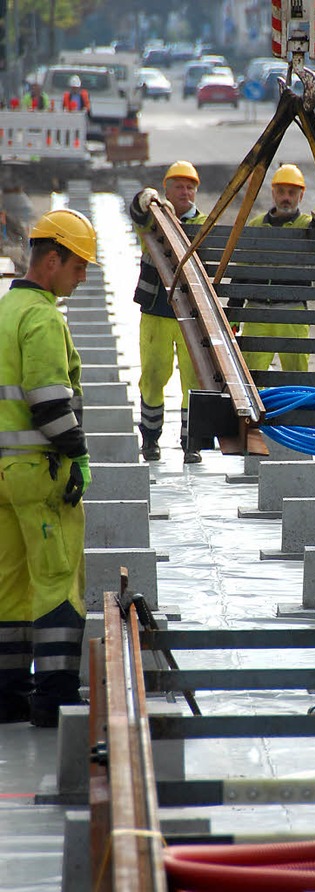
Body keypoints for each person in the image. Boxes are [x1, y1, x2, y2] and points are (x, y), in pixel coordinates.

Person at [0, 208, 96, 728]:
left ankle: (7, 696)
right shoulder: (41, 317)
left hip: (2, 474)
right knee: (56, 578)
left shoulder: (3, 311)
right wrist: (78, 454)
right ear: (52, 259)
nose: (82, 277)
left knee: (8, 584)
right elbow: (48, 401)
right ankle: (54, 698)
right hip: (39, 471)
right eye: (78, 267)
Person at [130, 160, 208, 463]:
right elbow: (136, 211)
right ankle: (150, 440)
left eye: (190, 187)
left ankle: (192, 444)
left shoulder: (204, 225)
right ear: (167, 189)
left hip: (191, 315)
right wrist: (146, 196)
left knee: (193, 379)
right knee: (152, 376)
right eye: (178, 186)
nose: (185, 191)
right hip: (155, 311)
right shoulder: (153, 220)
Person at [227, 164, 313, 374]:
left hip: (292, 312)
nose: (286, 197)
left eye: (292, 193)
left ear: (300, 197)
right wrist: (233, 312)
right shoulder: (256, 225)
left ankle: (296, 408)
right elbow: (242, 270)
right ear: (273, 193)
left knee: (297, 377)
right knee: (253, 377)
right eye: (281, 192)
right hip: (256, 312)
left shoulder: (308, 226)